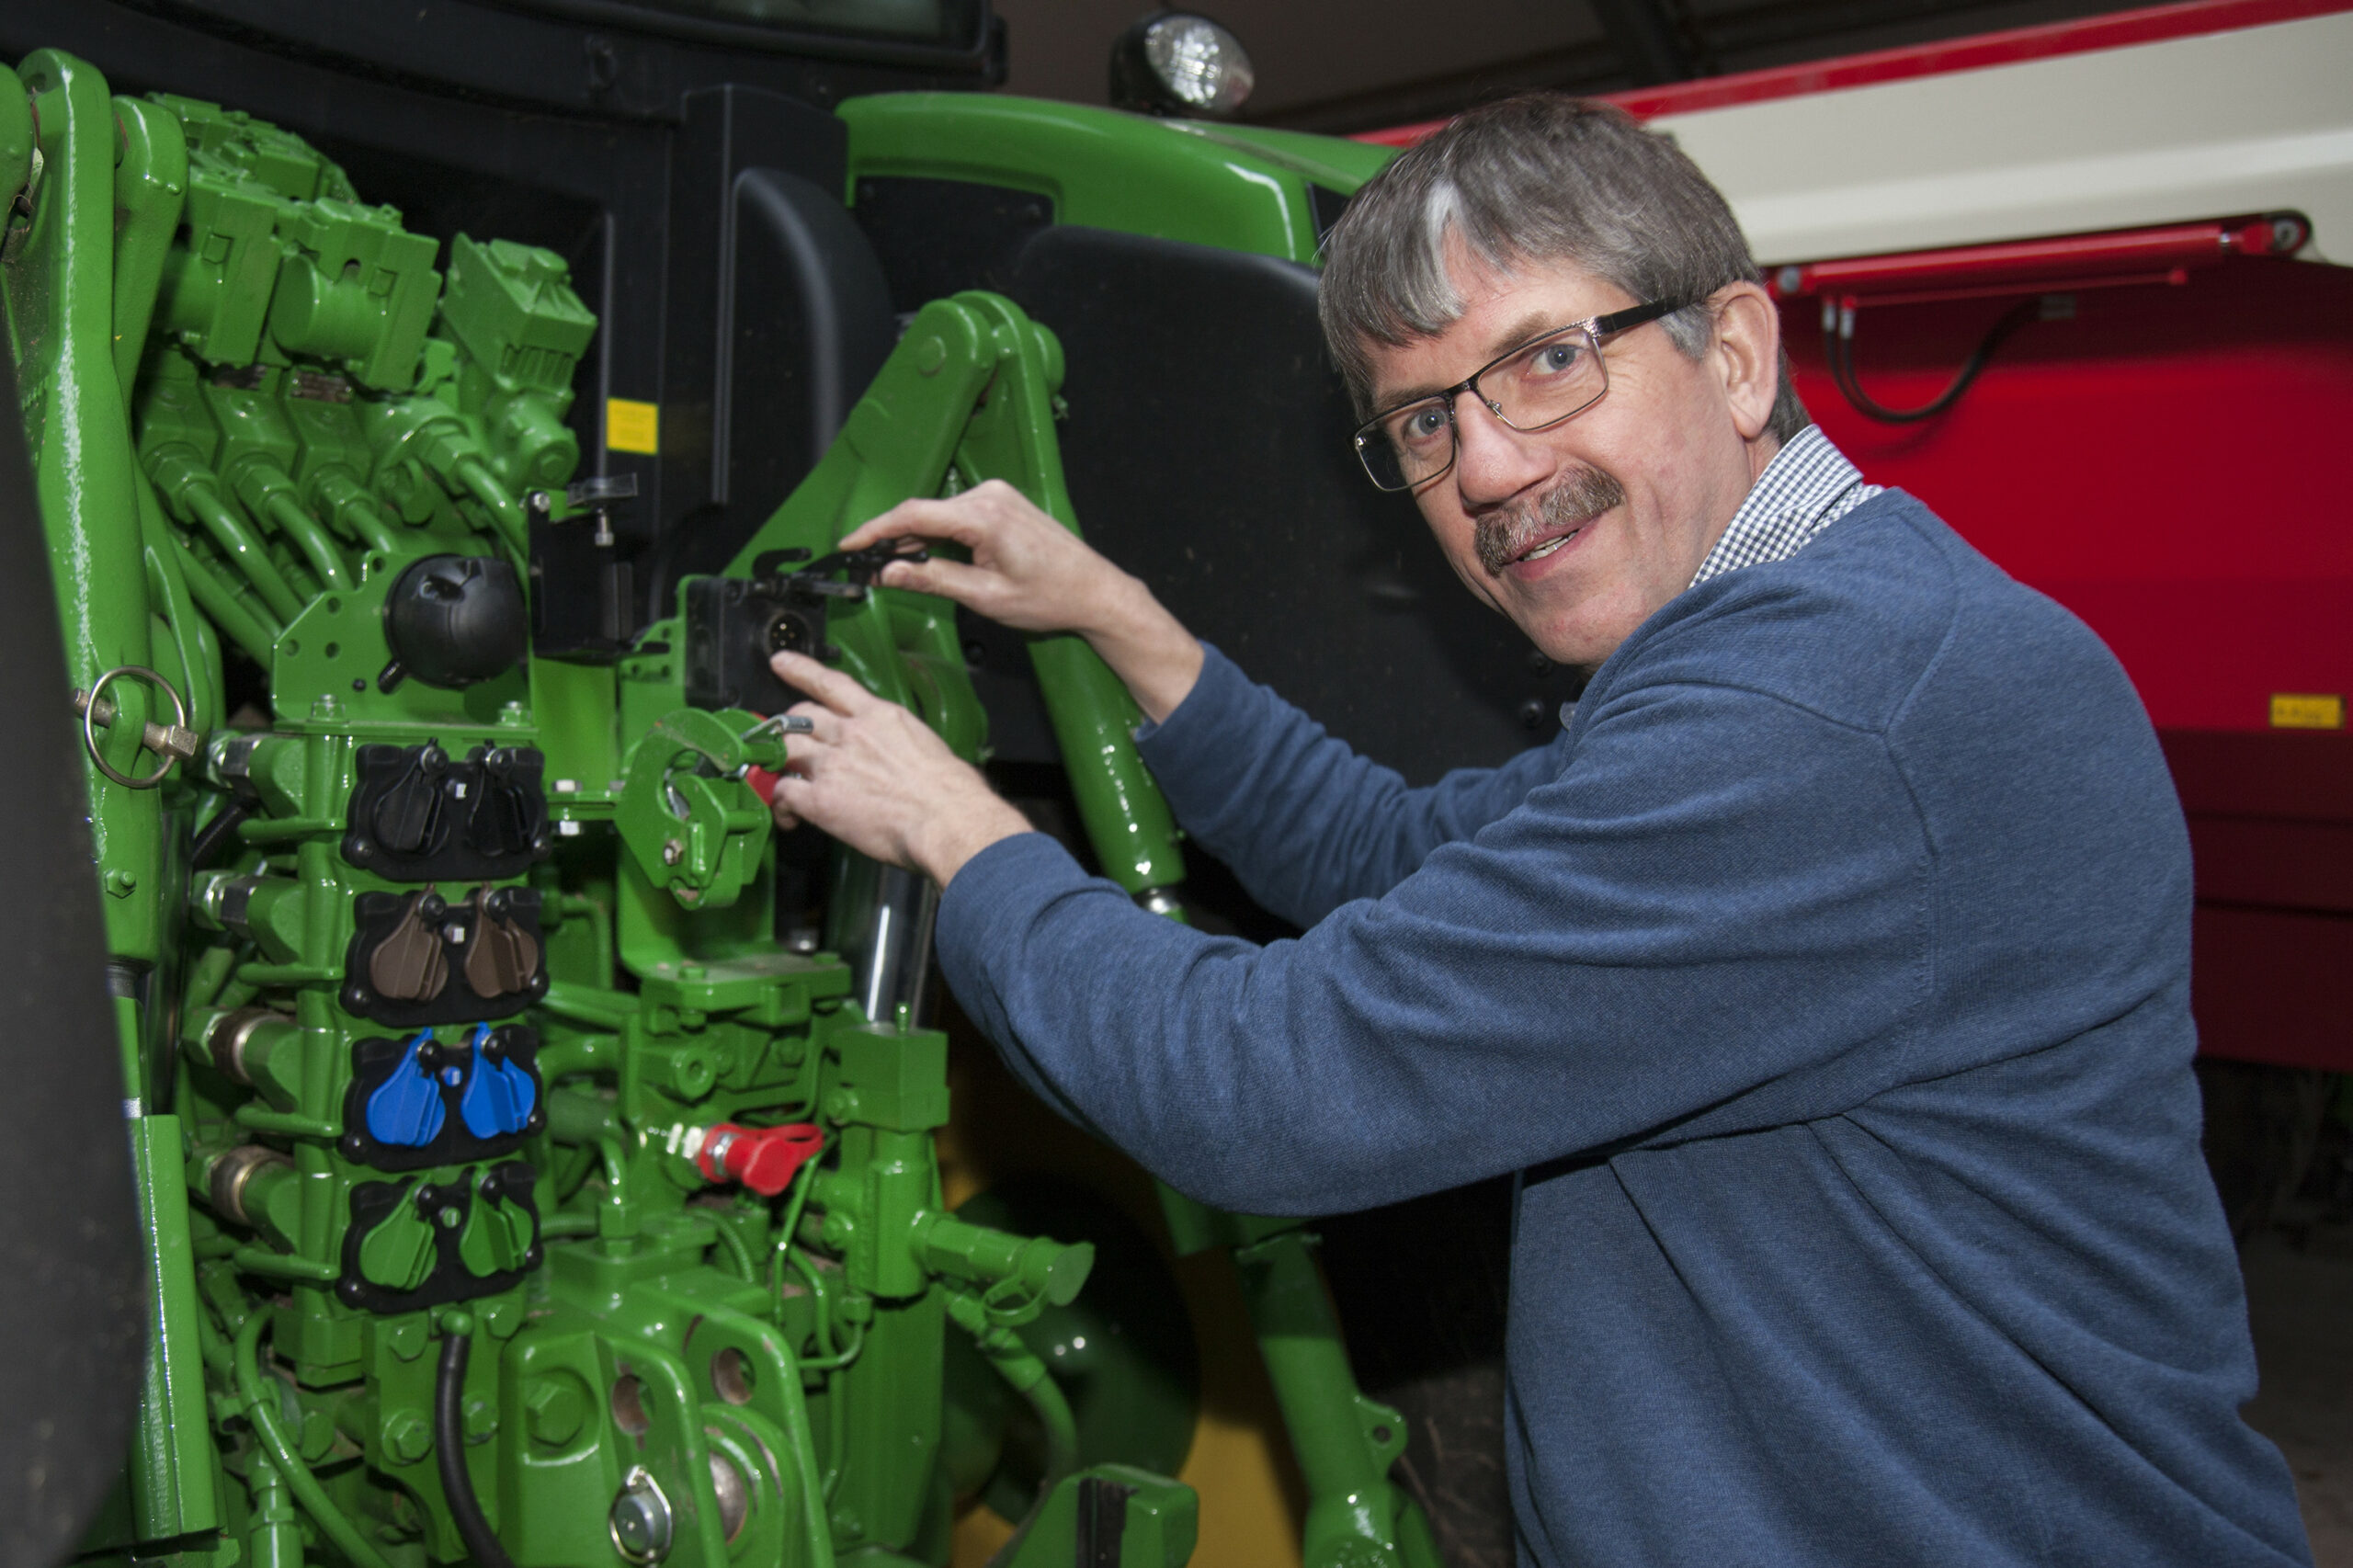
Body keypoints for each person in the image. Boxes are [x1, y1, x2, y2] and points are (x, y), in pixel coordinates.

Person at [762, 95, 2311, 1567]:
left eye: (1550, 359)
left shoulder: (1823, 723)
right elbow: (1394, 853)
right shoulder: (1808, 639)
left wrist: (962, 837)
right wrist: (1118, 618)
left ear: (1740, 353)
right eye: (1424, 421)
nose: (1489, 467)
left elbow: (1261, 1085)